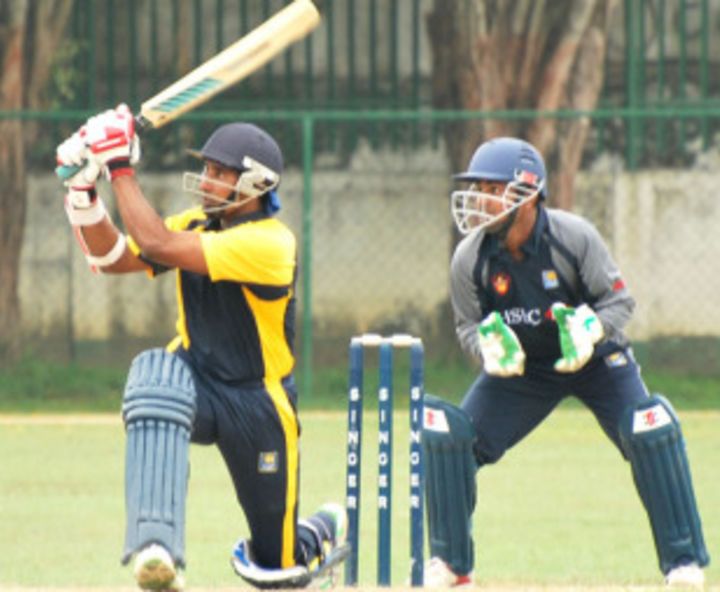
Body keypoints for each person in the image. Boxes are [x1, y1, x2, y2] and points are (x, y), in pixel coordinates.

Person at [55, 105, 348, 591]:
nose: (206, 180)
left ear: (255, 184)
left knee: (277, 570)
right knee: (154, 383)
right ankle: (156, 548)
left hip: (258, 403)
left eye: (218, 173)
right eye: (207, 168)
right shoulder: (196, 222)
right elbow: (113, 258)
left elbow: (157, 242)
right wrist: (83, 192)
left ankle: (318, 531)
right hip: (195, 377)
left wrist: (119, 166)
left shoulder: (271, 243)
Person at [421, 137, 709, 588]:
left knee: (649, 432)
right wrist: (488, 348)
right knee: (451, 440)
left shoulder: (573, 238)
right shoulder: (470, 258)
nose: (480, 200)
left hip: (595, 360)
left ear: (527, 194)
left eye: (492, 189)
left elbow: (620, 302)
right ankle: (452, 565)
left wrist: (591, 328)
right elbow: (467, 325)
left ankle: (683, 562)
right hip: (525, 369)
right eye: (478, 189)